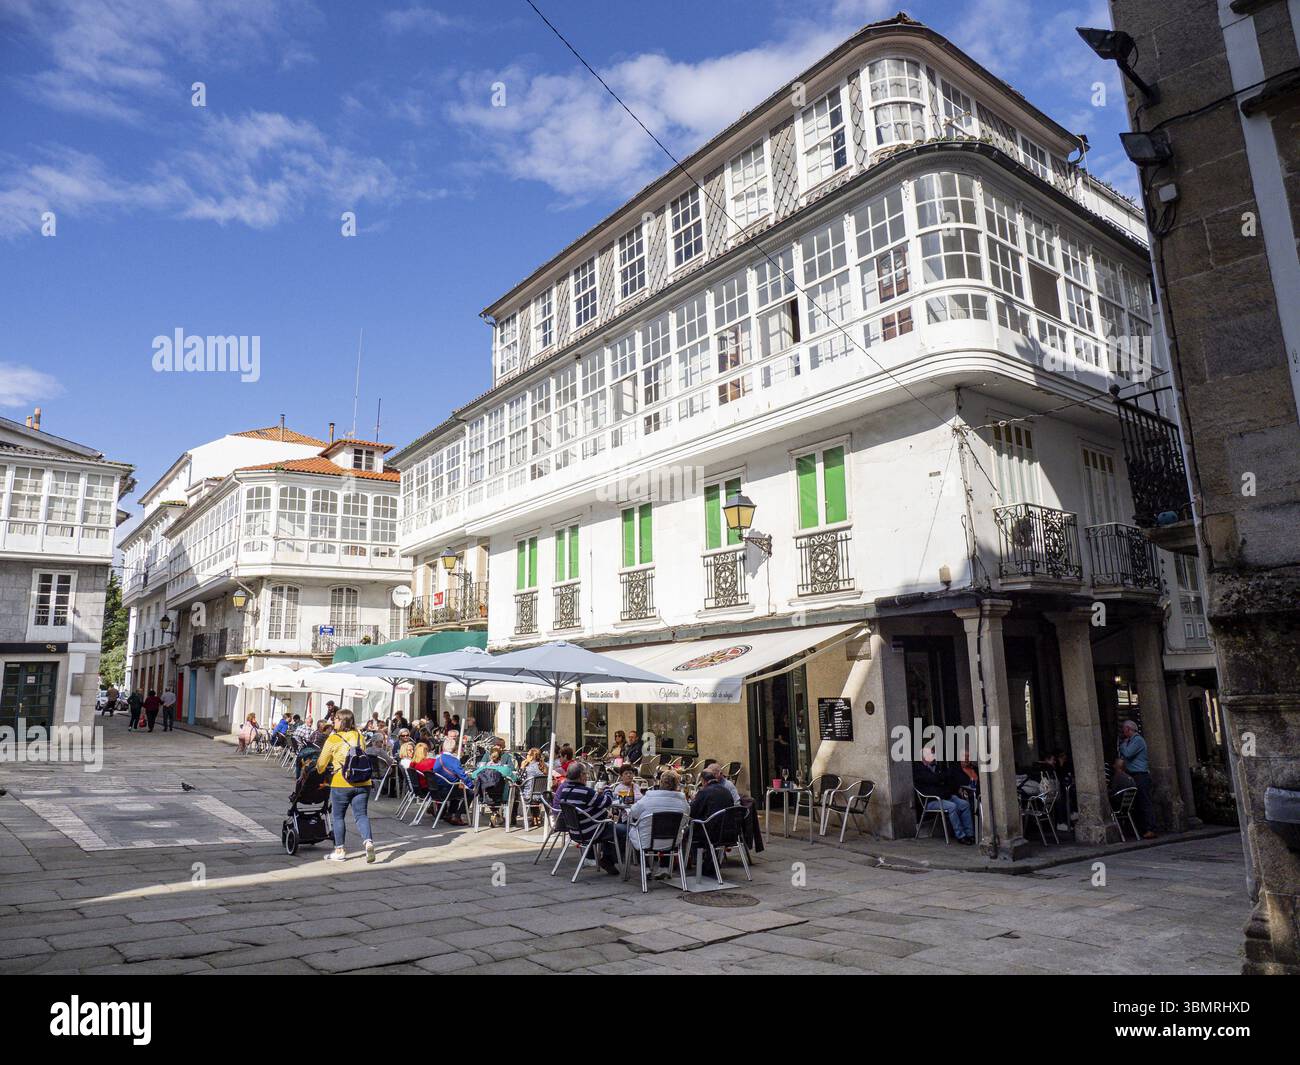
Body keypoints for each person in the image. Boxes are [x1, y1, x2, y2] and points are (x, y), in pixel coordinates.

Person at [315, 709, 375, 864]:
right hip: (363, 781)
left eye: (336, 719)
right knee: (361, 815)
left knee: (338, 816)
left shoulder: (333, 738)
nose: (333, 721)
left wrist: (320, 769)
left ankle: (339, 850)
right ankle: (368, 842)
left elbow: (321, 763)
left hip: (341, 782)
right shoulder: (359, 736)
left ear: (342, 721)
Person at [552, 762, 617, 874]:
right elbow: (607, 802)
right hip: (589, 832)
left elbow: (589, 806)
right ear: (581, 775)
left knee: (609, 825)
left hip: (575, 831)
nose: (586, 776)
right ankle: (609, 859)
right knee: (619, 830)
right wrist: (607, 790)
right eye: (585, 774)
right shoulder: (585, 791)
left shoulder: (565, 790)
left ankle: (604, 858)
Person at [619, 769, 691, 869]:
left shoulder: (649, 797)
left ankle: (646, 868)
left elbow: (633, 813)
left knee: (635, 831)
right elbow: (686, 820)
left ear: (661, 782)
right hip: (673, 842)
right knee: (668, 828)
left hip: (647, 841)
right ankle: (664, 868)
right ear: (677, 784)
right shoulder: (683, 802)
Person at [913, 746, 975, 844]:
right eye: (930, 754)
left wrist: (943, 781)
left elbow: (947, 780)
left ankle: (970, 834)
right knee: (952, 807)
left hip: (945, 796)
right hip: (932, 800)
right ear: (923, 758)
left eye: (932, 754)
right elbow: (933, 780)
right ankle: (961, 836)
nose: (933, 756)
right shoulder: (919, 770)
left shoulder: (937, 767)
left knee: (965, 804)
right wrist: (942, 779)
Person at [688, 767, 735, 874]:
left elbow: (692, 812)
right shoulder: (726, 791)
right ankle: (709, 862)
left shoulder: (704, 792)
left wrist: (694, 799)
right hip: (730, 832)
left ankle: (693, 862)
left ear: (703, 781)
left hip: (711, 833)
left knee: (688, 831)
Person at [1118, 721, 1157, 839]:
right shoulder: (1132, 741)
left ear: (1129, 729)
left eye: (1124, 729)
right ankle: (1141, 828)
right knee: (1138, 803)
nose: (1123, 732)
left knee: (1145, 801)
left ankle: (1151, 828)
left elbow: (1128, 753)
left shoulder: (1137, 740)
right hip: (1134, 775)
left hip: (1141, 775)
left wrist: (1123, 744)